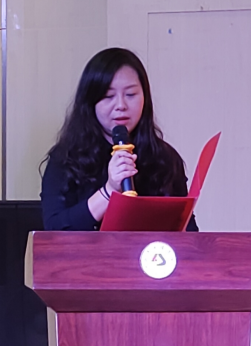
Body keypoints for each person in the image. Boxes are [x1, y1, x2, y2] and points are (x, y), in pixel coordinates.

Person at [41, 47, 198, 231]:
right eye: (108, 96)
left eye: (130, 95)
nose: (121, 105)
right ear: (90, 102)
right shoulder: (65, 159)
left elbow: (188, 232)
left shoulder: (164, 158)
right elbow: (54, 230)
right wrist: (109, 191)